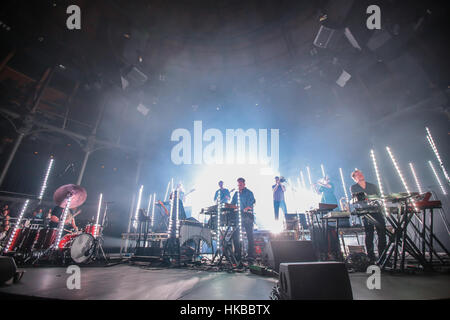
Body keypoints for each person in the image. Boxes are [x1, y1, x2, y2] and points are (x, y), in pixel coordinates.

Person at [350, 170, 387, 263]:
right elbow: (357, 198)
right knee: (369, 234)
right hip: (365, 212)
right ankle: (371, 257)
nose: (360, 175)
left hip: (377, 211)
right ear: (354, 178)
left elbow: (379, 197)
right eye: (357, 175)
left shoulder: (372, 186)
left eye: (361, 173)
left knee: (382, 233)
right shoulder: (354, 187)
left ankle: (383, 256)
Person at [231, 177, 256, 262]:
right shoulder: (236, 193)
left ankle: (251, 255)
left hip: (247, 217)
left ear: (244, 184)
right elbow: (232, 205)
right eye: (238, 184)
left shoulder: (249, 193)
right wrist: (229, 207)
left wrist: (244, 209)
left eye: (240, 184)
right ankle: (237, 254)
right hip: (238, 216)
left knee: (250, 236)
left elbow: (250, 205)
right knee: (235, 235)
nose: (239, 186)